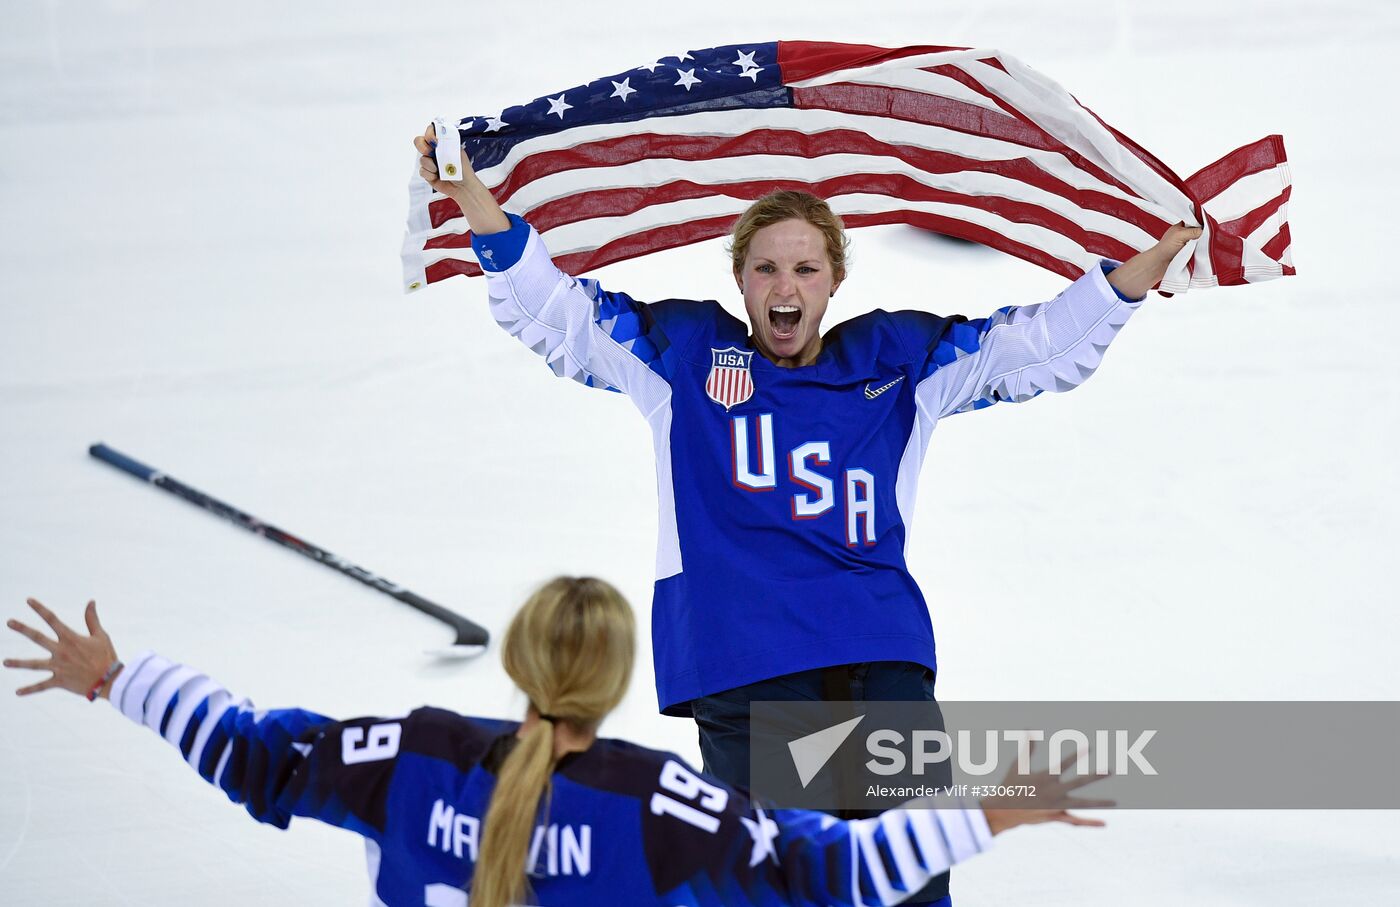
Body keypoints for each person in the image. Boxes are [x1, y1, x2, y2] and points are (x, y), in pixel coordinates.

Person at [414, 125, 1185, 903]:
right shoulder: (684, 358)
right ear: (741, 279)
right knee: (786, 887)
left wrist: (1137, 272)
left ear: (834, 279)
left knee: (913, 885)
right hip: (755, 672)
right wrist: (473, 198)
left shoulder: (896, 361)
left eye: (806, 269)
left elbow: (1032, 351)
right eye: (767, 269)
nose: (786, 288)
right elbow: (561, 316)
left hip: (884, 662)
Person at [5, 589, 1108, 907]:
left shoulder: (409, 757)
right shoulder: (658, 806)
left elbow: (256, 757)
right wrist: (988, 811)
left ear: (521, 667)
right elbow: (831, 873)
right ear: (620, 684)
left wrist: (118, 678)